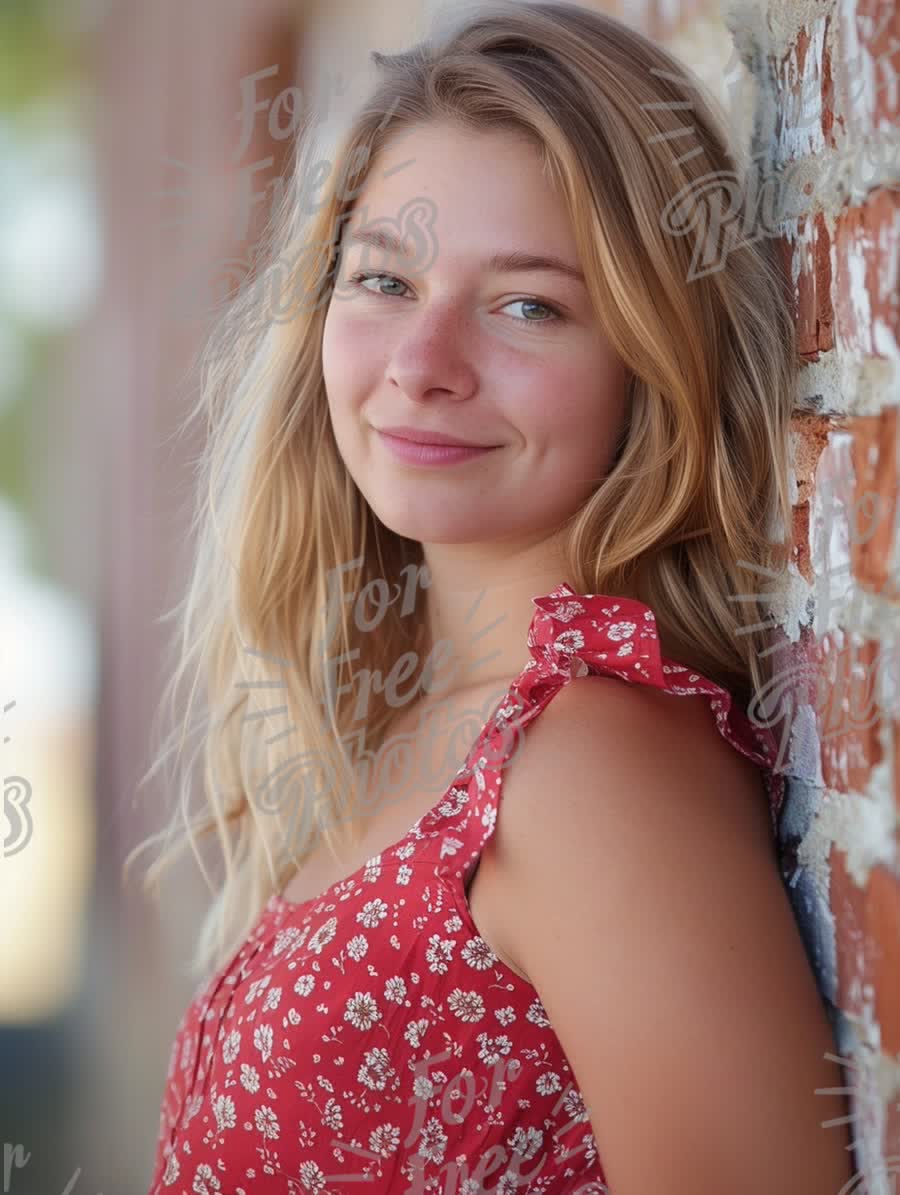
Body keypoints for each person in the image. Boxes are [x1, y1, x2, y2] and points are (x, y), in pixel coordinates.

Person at [131, 2, 855, 1191]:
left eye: (529, 304)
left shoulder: (592, 768)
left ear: (655, 354)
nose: (422, 362)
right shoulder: (413, 722)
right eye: (385, 280)